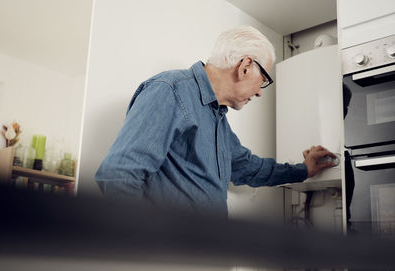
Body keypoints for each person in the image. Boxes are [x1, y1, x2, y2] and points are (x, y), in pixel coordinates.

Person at [95, 26, 336, 216]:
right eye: (262, 80)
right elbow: (119, 175)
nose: (261, 91)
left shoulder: (217, 118)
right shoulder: (170, 91)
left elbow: (247, 167)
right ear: (245, 66)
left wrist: (303, 170)